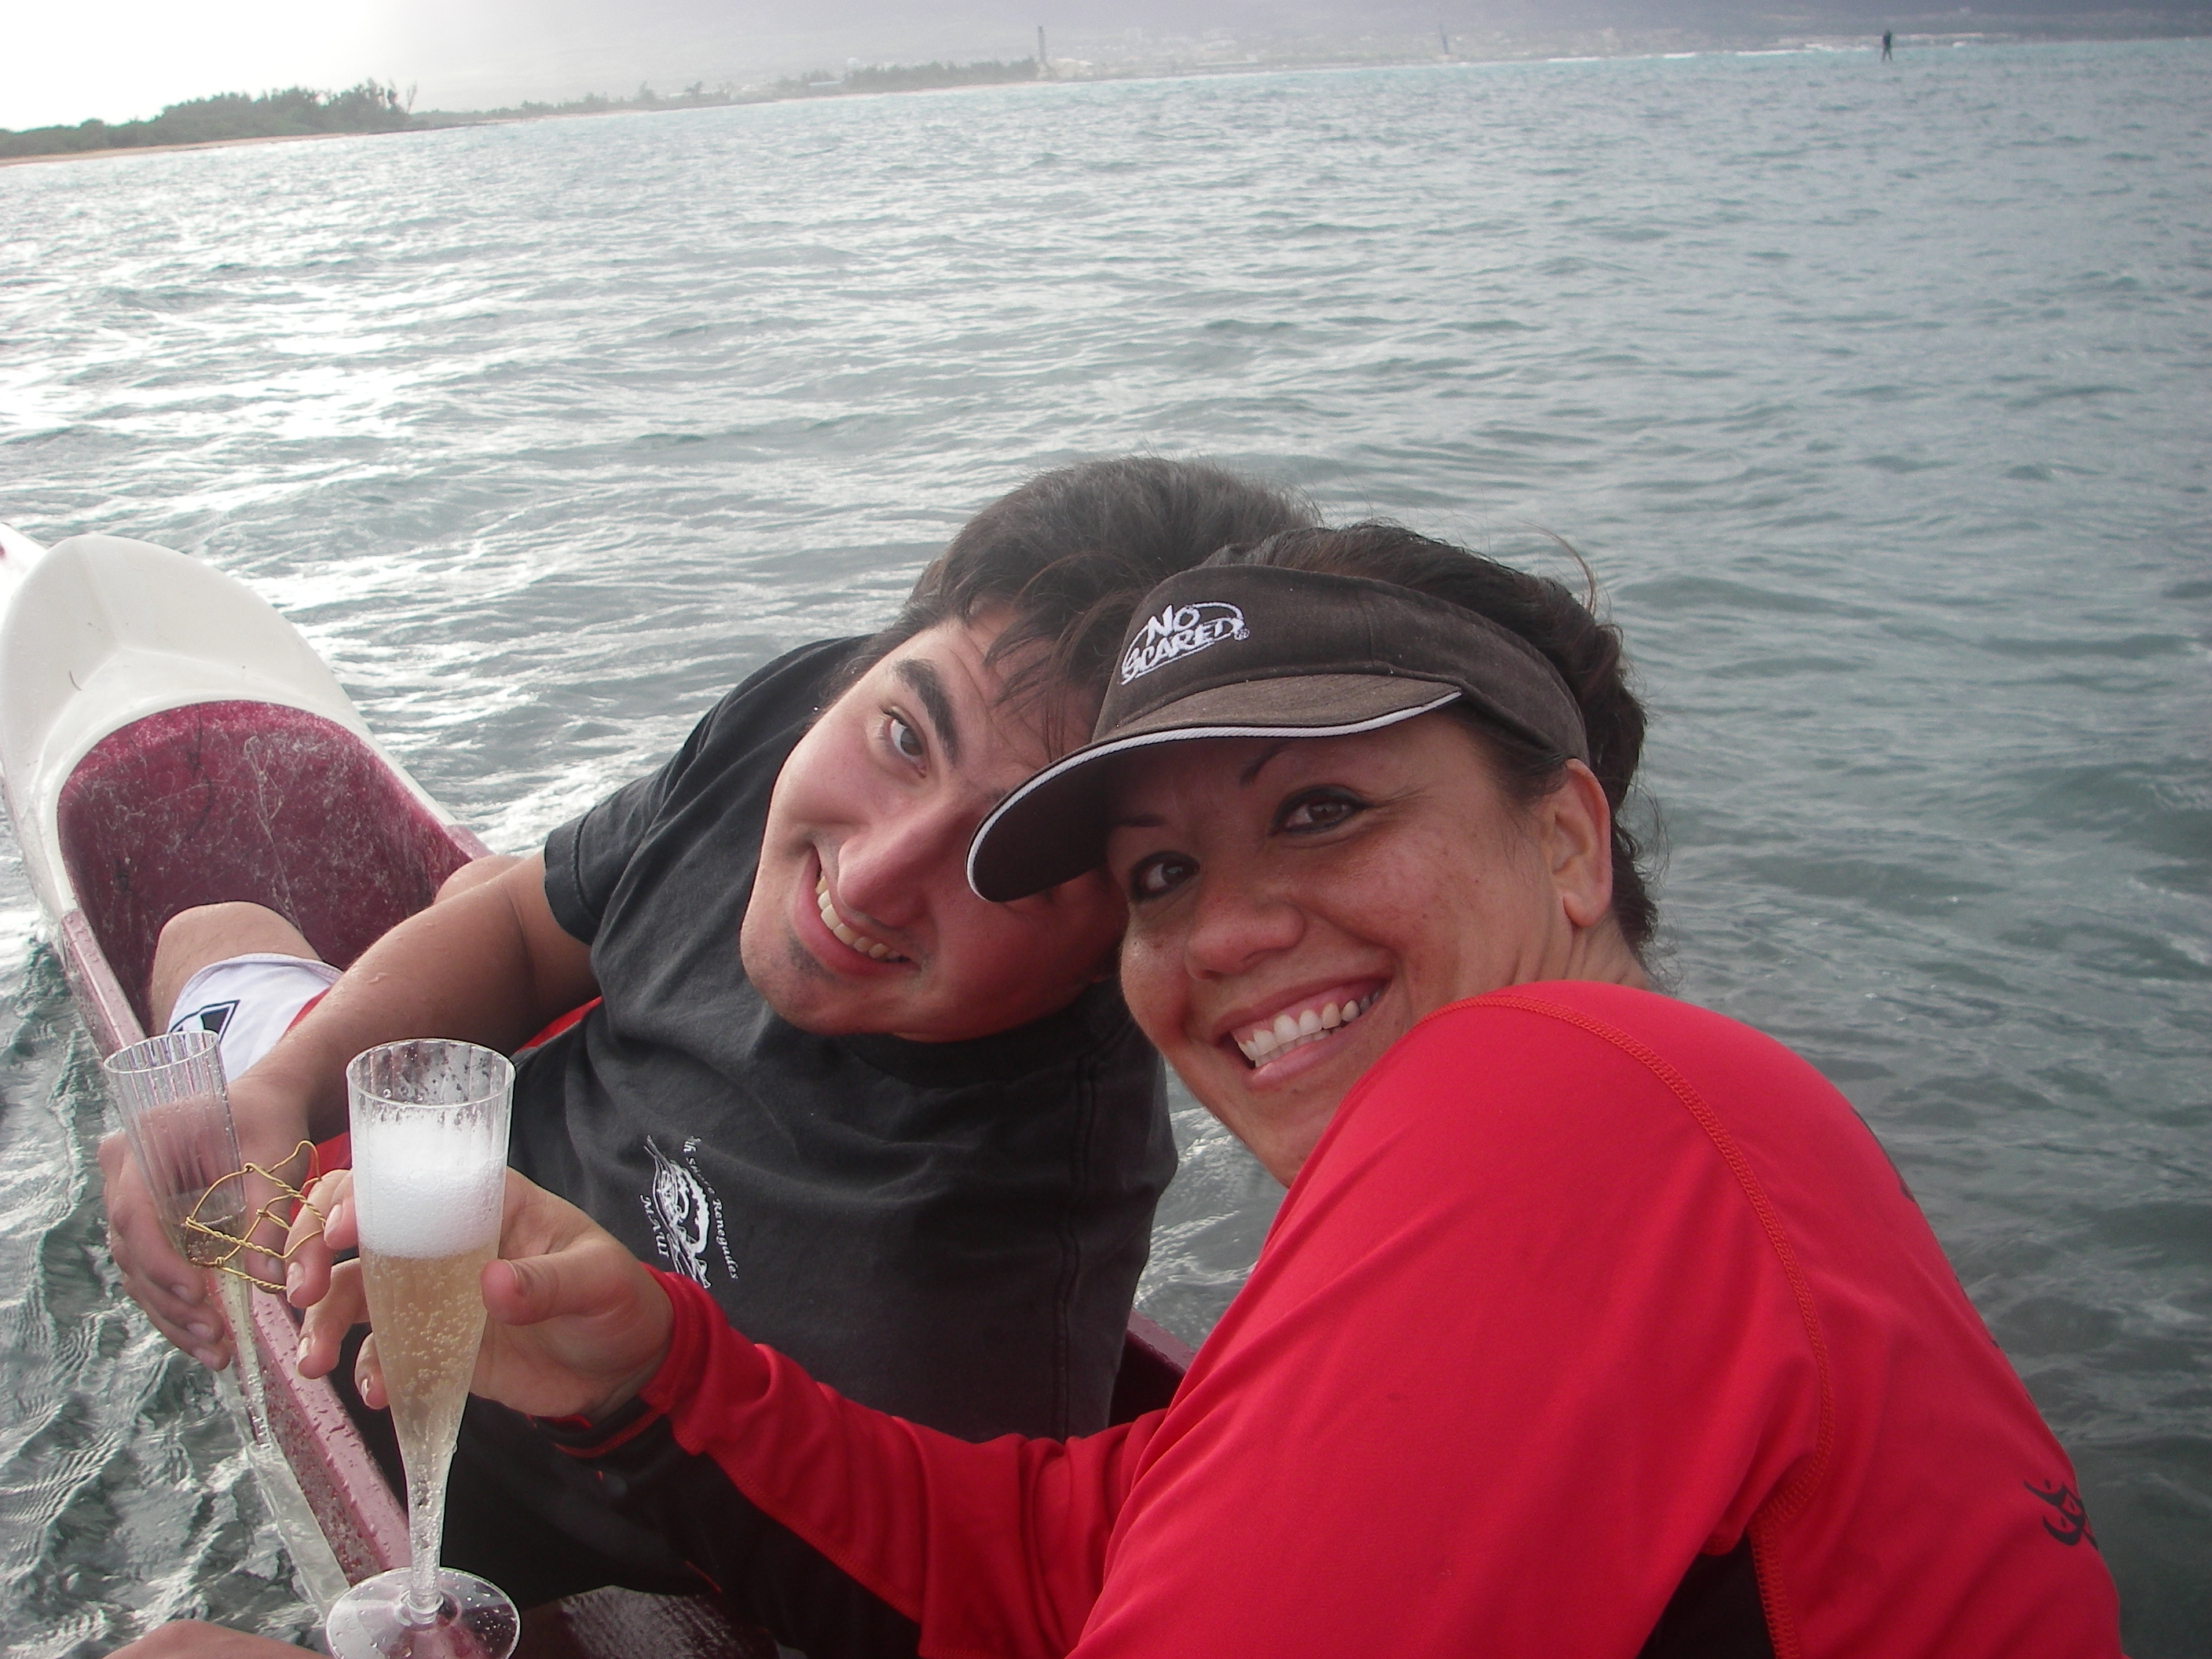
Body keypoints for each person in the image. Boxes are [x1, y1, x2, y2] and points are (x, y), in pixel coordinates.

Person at [276, 521, 2125, 1657]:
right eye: (1161, 873)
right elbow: (1067, 1560)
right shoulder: (1624, 1166)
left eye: (1321, 809)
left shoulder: (1570, 1101)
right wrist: (661, 1368)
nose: (1226, 932)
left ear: (1568, 843)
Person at [95, 458, 1316, 1639]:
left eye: (1015, 859)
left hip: (512, 1534)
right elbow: (523, 926)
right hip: (393, 1207)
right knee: (209, 930)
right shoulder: (800, 715)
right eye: (905, 738)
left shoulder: (980, 1299)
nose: (871, 875)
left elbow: (918, 1587)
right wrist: (274, 1091)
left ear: (1119, 950)